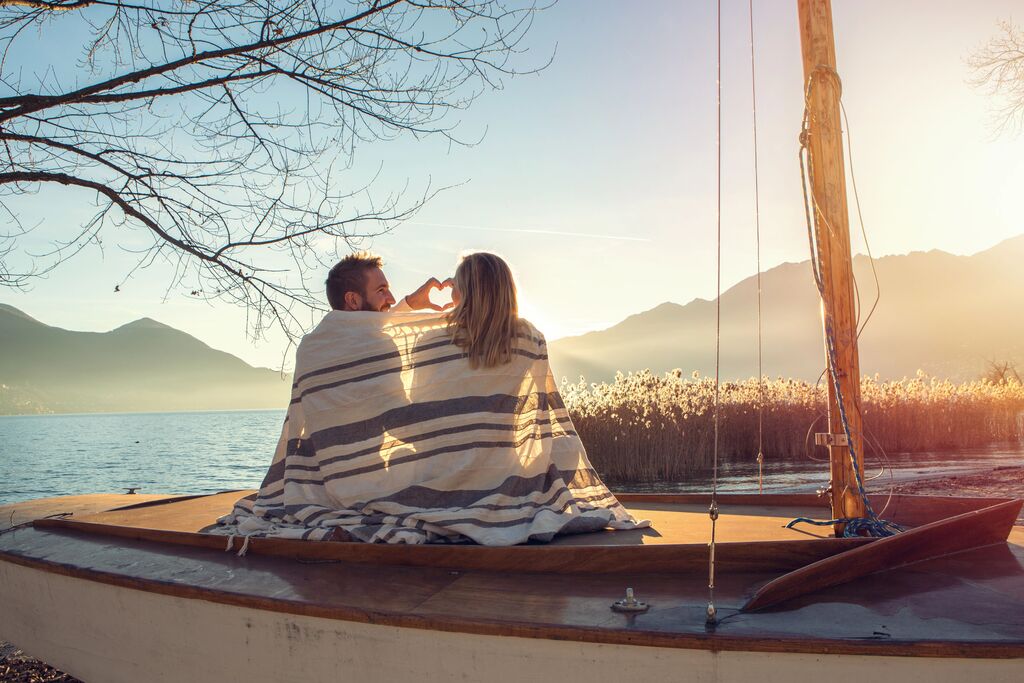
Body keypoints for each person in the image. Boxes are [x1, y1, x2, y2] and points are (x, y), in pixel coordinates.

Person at [325, 251, 452, 313]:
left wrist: (409, 304)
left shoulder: (312, 350)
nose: (392, 300)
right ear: (353, 300)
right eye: (381, 290)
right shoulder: (379, 346)